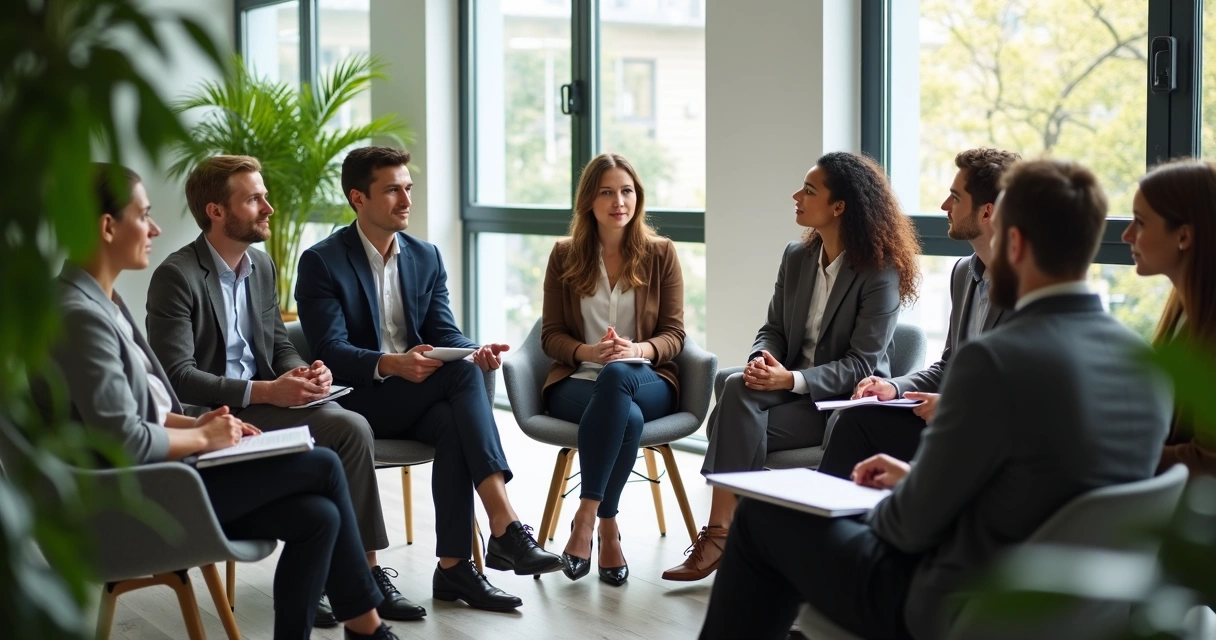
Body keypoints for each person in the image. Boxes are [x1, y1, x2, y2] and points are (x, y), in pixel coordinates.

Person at [698, 158, 1174, 640]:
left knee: (764, 516)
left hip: (953, 599)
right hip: (1072, 608)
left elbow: (907, 530)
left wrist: (874, 498)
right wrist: (914, 478)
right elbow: (1044, 485)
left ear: (1015, 243)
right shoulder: (1146, 363)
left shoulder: (993, 362)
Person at [49, 164, 404, 640]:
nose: (155, 228)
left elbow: (146, 409)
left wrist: (286, 380)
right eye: (144, 215)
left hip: (175, 463)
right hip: (139, 496)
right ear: (107, 226)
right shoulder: (85, 314)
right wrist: (204, 432)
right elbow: (126, 434)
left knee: (318, 516)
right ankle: (367, 627)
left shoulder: (100, 302)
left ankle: (358, 623)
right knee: (321, 465)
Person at [145, 155, 417, 625]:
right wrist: (266, 392)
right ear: (216, 211)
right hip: (215, 413)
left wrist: (307, 371)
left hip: (270, 400)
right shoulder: (178, 275)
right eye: (254, 199)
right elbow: (176, 375)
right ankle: (350, 583)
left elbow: (277, 344)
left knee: (349, 427)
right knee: (342, 438)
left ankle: (359, 576)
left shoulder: (262, 266)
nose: (268, 207)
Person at [294, 146, 562, 612]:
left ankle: (456, 567)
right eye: (393, 189)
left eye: (408, 188)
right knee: (460, 385)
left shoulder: (425, 255)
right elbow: (330, 351)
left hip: (417, 398)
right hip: (359, 401)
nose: (406, 199)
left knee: (455, 411)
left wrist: (472, 349)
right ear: (358, 198)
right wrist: (391, 363)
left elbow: (444, 331)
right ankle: (502, 528)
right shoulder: (323, 261)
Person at [662, 151, 921, 582]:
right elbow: (774, 329)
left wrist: (793, 378)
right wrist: (761, 361)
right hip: (787, 391)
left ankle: (723, 534)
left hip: (839, 403)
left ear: (839, 207)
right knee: (737, 385)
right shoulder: (796, 258)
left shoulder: (879, 272)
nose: (796, 196)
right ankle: (733, 533)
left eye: (810, 190)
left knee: (731, 408)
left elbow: (863, 364)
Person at [818, 148, 1020, 478]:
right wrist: (893, 388)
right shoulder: (963, 274)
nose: (944, 206)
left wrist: (956, 409)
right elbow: (949, 365)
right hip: (952, 424)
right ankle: (825, 521)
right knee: (856, 421)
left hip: (993, 437)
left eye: (955, 197)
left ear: (987, 213)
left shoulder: (1028, 285)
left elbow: (1025, 392)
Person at [540, 153, 685, 585]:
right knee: (627, 417)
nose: (618, 201)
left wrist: (635, 349)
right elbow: (550, 336)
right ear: (589, 200)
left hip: (647, 379)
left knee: (620, 378)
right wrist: (587, 351)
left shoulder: (661, 254)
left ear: (637, 197)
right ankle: (608, 525)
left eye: (627, 191)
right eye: (606, 192)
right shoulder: (564, 256)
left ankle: (584, 517)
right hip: (578, 382)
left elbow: (675, 335)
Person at [1123, 158, 1216, 475]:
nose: (1126, 235)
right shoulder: (1183, 303)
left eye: (1140, 222)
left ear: (1184, 236)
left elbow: (1209, 461)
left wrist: (1117, 452)